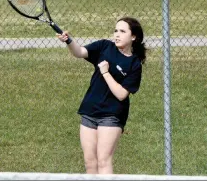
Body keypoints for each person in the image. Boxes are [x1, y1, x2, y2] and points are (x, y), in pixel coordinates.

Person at [57, 16, 146, 174]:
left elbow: (121, 94)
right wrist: (68, 41)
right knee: (90, 162)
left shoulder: (134, 64)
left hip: (112, 115)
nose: (117, 34)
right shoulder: (104, 46)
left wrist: (105, 72)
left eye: (122, 31)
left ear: (133, 37)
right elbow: (80, 52)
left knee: (104, 160)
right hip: (90, 110)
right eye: (116, 30)